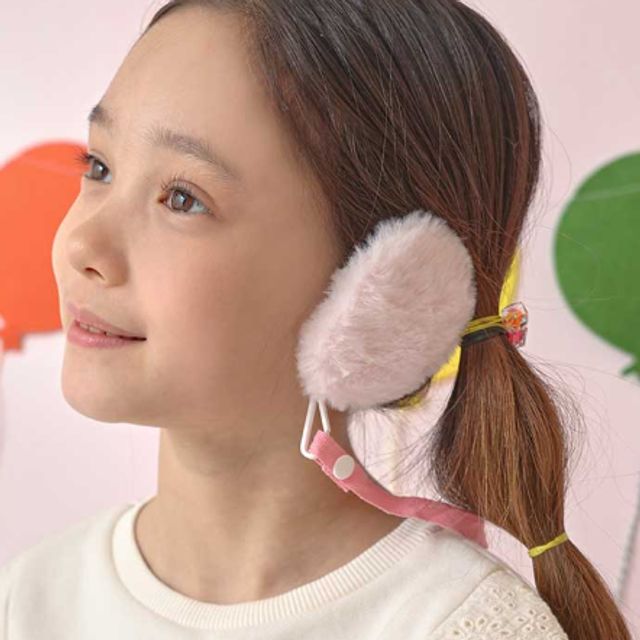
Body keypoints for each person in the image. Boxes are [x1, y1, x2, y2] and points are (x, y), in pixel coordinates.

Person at [0, 1, 632, 638]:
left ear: (384, 289)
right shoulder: (26, 600)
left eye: (183, 199)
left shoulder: (464, 625)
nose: (82, 244)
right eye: (99, 167)